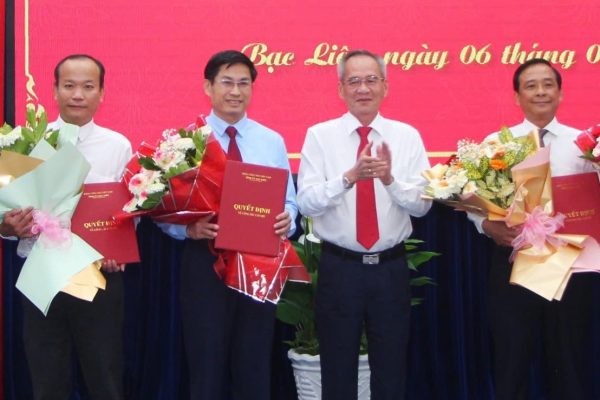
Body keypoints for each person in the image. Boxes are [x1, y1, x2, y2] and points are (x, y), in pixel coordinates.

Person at [158, 50, 298, 400]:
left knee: (254, 365)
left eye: (243, 83)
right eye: (227, 82)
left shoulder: (271, 140)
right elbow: (161, 210)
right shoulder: (186, 143)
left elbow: (290, 201)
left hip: (258, 263)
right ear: (208, 87)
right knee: (205, 366)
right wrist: (187, 230)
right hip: (204, 263)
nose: (235, 91)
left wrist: (288, 219)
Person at [296, 49, 431, 400]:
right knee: (337, 370)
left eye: (371, 80)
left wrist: (390, 181)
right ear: (340, 89)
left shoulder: (407, 136)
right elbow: (306, 202)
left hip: (390, 269)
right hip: (340, 268)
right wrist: (347, 179)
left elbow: (422, 207)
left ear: (385, 86)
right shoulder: (320, 136)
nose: (363, 88)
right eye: (354, 81)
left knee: (392, 370)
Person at [0, 54, 132, 399]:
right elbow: (8, 211)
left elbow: (125, 214)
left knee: (105, 378)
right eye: (69, 85)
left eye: (88, 86)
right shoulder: (27, 143)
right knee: (47, 380)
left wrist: (117, 249)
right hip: (41, 275)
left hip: (98, 276)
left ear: (101, 93)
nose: (77, 94)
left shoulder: (118, 146)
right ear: (54, 90)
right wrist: (8, 227)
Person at [468, 58, 596, 400]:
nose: (540, 92)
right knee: (511, 363)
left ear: (560, 93)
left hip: (572, 267)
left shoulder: (585, 145)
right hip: (515, 263)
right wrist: (485, 224)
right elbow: (476, 198)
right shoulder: (497, 143)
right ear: (517, 97)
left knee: (569, 364)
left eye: (548, 85)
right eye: (531, 86)